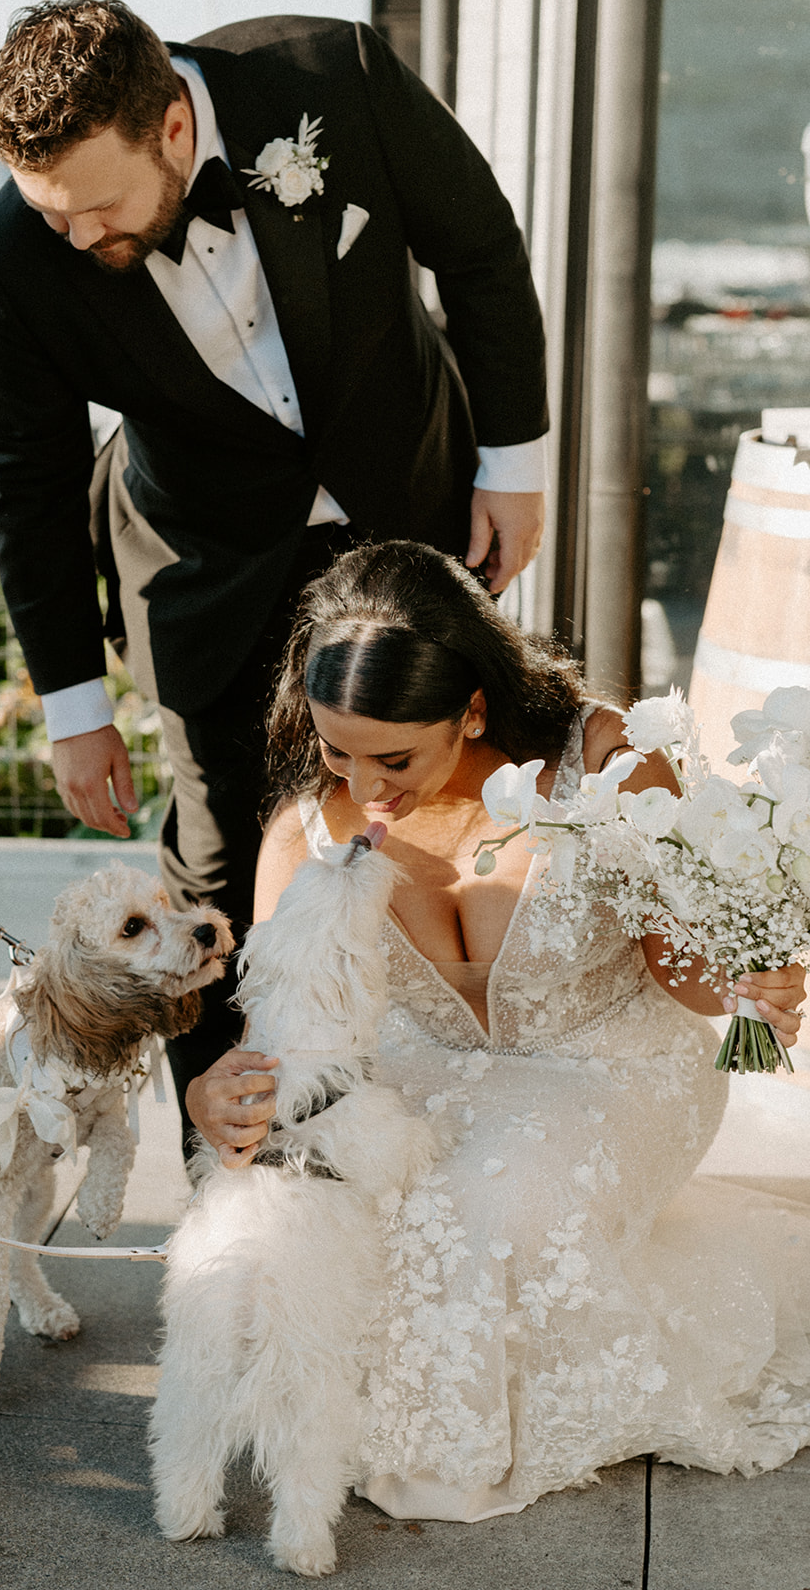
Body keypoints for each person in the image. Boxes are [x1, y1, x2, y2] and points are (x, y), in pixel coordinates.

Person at [0, 0, 549, 1126]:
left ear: (175, 132)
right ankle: (232, 1186)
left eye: (97, 208)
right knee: (216, 882)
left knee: (442, 813)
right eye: (53, 216)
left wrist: (512, 463)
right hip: (203, 571)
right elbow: (26, 473)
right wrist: (72, 704)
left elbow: (477, 249)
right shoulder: (16, 247)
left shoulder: (330, 71)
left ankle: (436, 1130)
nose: (78, 240)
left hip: (404, 522)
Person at [188, 540, 810, 1523]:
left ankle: (453, 1439)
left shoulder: (604, 767)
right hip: (423, 1065)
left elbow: (681, 974)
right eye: (334, 749)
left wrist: (750, 970)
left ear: (471, 707)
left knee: (490, 1202)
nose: (363, 785)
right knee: (340, 1197)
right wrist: (222, 1092)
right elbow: (288, 1035)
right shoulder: (306, 829)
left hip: (610, 1058)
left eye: (393, 757)